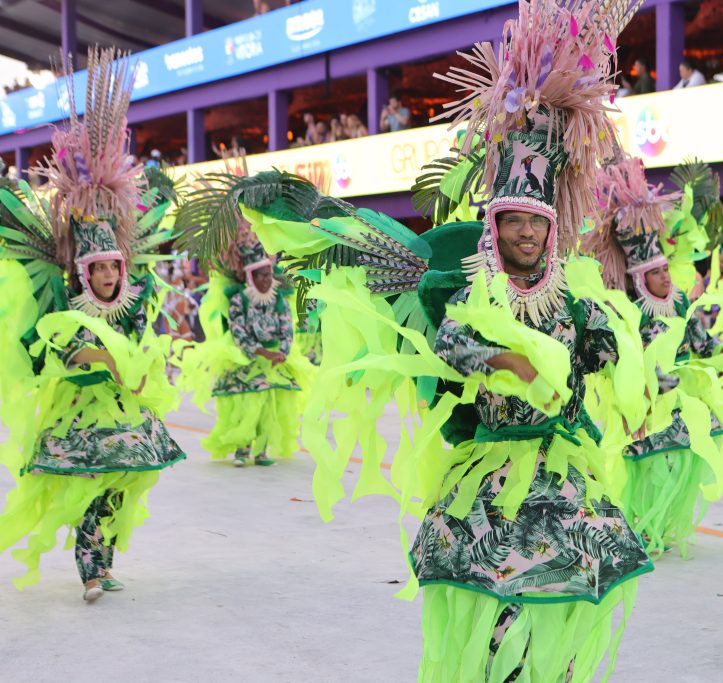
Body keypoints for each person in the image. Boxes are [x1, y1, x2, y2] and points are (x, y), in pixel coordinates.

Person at [239, 2, 657, 678]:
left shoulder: (573, 297)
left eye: (537, 223)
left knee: (565, 600)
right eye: (515, 220)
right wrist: (508, 358)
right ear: (496, 227)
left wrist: (602, 347)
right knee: (494, 607)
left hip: (562, 474)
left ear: (553, 230)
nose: (527, 233)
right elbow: (453, 347)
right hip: (489, 481)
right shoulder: (477, 294)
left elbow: (604, 351)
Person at [0, 48, 185, 601]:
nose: (107, 274)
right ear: (83, 271)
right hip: (81, 413)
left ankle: (100, 564)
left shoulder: (130, 300)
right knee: (90, 489)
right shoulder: (69, 304)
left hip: (125, 409)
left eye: (113, 266)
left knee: (119, 488)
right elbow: (75, 352)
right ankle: (91, 570)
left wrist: (144, 367)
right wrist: (114, 361)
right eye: (98, 267)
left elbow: (141, 343)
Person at [582, 155, 723, 558]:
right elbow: (617, 356)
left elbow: (701, 341)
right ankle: (641, 526)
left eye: (666, 271)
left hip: (678, 402)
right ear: (642, 277)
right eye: (657, 273)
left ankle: (662, 525)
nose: (665, 277)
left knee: (678, 462)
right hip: (645, 402)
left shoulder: (678, 305)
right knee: (645, 469)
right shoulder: (631, 310)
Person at [174, 202, 310, 468]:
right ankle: (242, 449)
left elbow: (286, 327)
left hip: (274, 361)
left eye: (269, 274)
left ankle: (261, 450)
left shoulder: (278, 299)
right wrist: (262, 352)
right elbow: (239, 334)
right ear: (249, 277)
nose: (266, 280)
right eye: (260, 275)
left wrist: (282, 350)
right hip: (246, 360)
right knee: (246, 404)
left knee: (269, 406)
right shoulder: (239, 301)